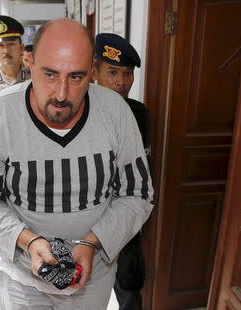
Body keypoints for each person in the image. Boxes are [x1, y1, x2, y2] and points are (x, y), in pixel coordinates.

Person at [0, 18, 154, 309]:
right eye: (50, 75)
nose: (62, 94)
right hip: (22, 280)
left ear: (92, 70)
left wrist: (92, 242)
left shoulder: (116, 113)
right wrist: (29, 241)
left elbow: (138, 193)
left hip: (94, 278)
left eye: (76, 77)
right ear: (30, 61)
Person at [92, 33, 150, 310]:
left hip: (125, 222)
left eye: (128, 74)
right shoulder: (79, 112)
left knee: (129, 289)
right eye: (112, 72)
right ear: (94, 72)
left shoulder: (139, 114)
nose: (121, 81)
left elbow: (143, 173)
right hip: (88, 221)